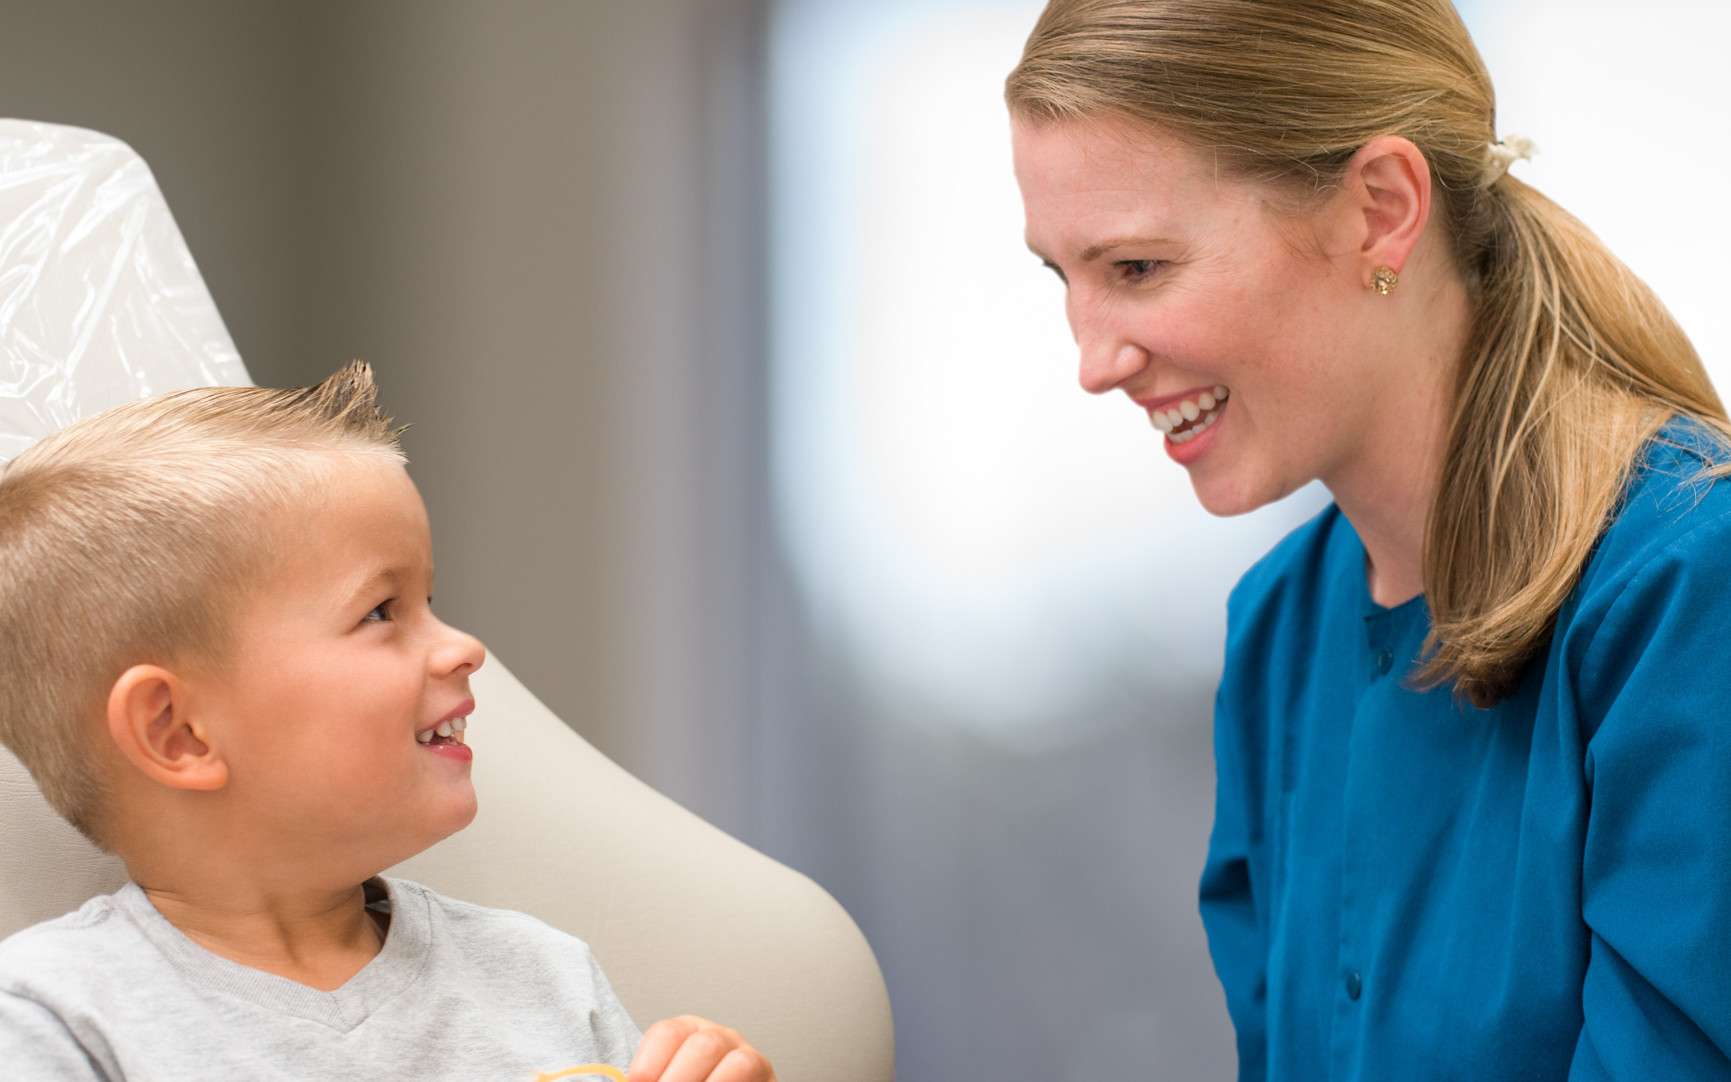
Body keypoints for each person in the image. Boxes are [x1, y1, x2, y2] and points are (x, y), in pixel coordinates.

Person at [1006, 1, 1731, 1079]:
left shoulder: (1684, 590)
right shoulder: (1280, 635)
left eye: (1138, 268)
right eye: (1062, 277)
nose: (1093, 359)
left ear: (1381, 209)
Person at [0, 361, 776, 1082]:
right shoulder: (52, 1019)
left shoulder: (542, 975)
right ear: (179, 731)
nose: (464, 648)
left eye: (429, 603)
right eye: (380, 610)